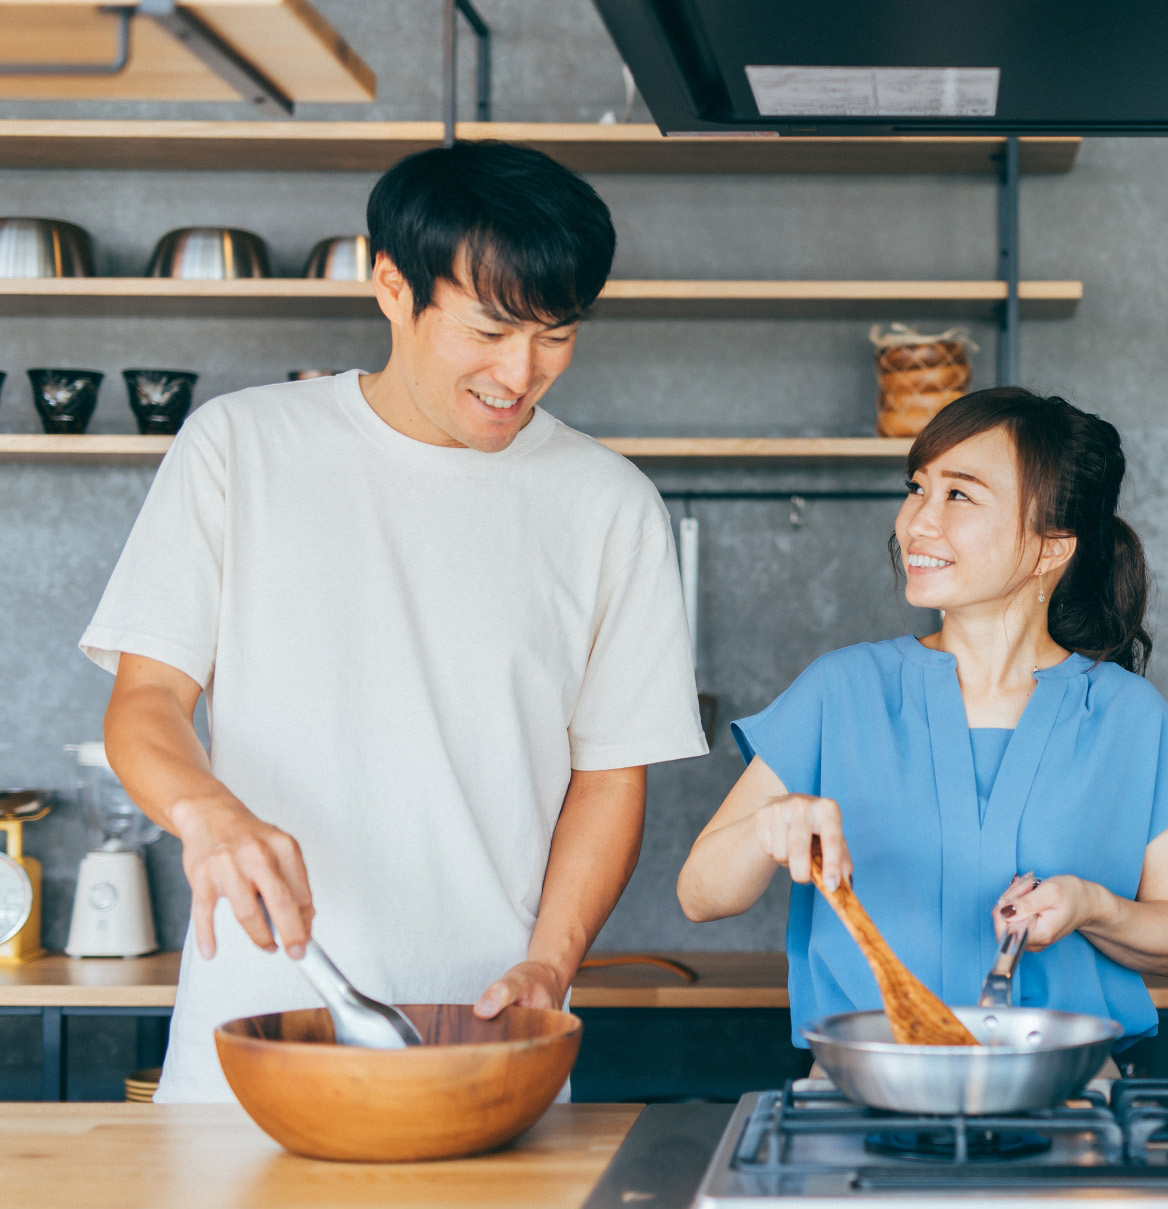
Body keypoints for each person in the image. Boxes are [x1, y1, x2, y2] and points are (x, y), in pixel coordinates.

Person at [83, 142, 707, 1102]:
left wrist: (551, 965)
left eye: (556, 334)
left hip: (491, 1043)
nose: (521, 371)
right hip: (255, 1037)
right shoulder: (241, 446)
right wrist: (208, 816)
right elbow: (147, 701)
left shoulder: (607, 503)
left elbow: (609, 778)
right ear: (390, 286)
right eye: (490, 329)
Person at [679, 388, 1168, 1049]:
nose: (915, 522)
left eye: (959, 495)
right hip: (864, 1093)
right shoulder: (841, 691)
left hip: (1066, 1101)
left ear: (1050, 547)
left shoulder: (1128, 717)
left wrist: (1091, 907)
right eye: (917, 488)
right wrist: (770, 826)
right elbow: (701, 895)